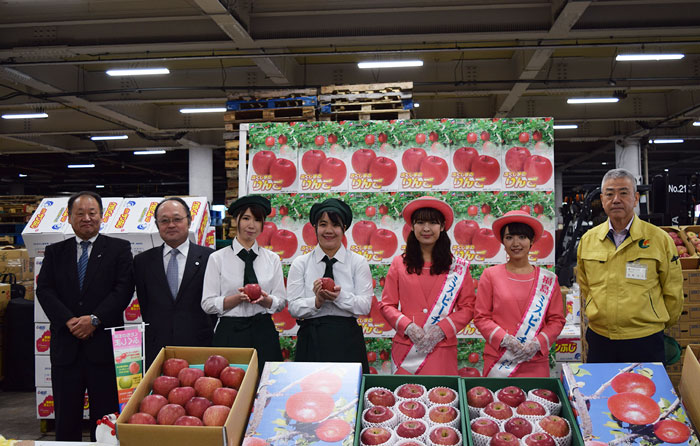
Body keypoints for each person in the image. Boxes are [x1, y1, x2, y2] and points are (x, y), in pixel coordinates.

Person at [36, 191, 134, 441]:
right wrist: (68, 320)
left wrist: (94, 319)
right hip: (66, 347)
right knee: (66, 418)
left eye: (92, 213)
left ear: (102, 216)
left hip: (102, 347)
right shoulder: (55, 251)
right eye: (80, 213)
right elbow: (45, 290)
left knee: (105, 420)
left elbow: (123, 289)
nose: (87, 218)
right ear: (69, 218)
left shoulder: (119, 249)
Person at [577, 168, 683, 362]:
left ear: (635, 198)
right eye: (609, 194)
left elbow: (673, 289)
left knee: (645, 391)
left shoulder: (659, 239)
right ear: (602, 200)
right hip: (601, 338)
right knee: (602, 392)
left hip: (646, 339)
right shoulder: (588, 240)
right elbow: (585, 286)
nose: (616, 199)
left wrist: (656, 322)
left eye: (623, 193)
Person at [379, 196, 475, 375]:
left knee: (443, 399)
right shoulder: (399, 263)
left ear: (442, 227)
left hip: (442, 349)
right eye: (420, 222)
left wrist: (441, 329)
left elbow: (468, 308)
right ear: (412, 226)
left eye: (433, 222)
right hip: (406, 349)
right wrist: (408, 327)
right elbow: (386, 305)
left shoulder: (457, 267)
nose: (426, 228)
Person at [474, 210, 565, 377]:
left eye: (522, 237)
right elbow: (481, 317)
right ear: (503, 242)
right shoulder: (490, 275)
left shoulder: (548, 279)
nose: (516, 243)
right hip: (499, 360)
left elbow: (557, 320)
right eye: (509, 238)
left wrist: (537, 343)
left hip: (534, 362)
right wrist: (505, 340)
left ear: (532, 241)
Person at [201, 195, 285, 372]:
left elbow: (280, 302)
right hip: (230, 332)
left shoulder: (272, 259)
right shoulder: (217, 258)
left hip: (263, 330)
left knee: (265, 384)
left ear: (263, 225)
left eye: (257, 220)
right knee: (228, 388)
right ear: (236, 220)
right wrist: (237, 299)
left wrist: (265, 300)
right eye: (246, 218)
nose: (251, 225)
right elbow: (207, 303)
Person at [287, 198, 372, 373]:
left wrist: (339, 297)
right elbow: (294, 307)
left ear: (344, 229)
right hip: (312, 339)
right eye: (323, 224)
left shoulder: (358, 262)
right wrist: (316, 302)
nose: (329, 231)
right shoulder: (300, 263)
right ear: (315, 228)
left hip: (347, 339)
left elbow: (365, 305)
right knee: (310, 394)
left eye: (335, 225)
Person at [133, 197, 215, 369]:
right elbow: (145, 304)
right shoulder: (142, 261)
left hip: (199, 346)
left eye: (177, 219)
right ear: (157, 225)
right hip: (157, 347)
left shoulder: (210, 258)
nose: (171, 225)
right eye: (164, 221)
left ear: (189, 221)